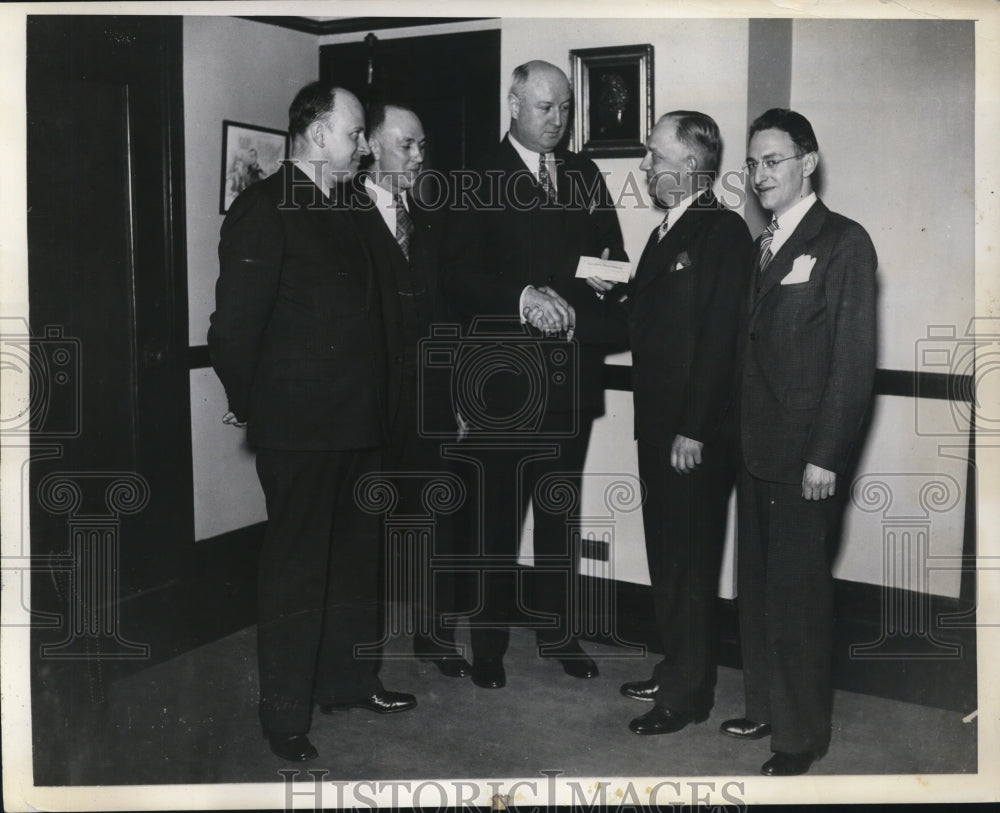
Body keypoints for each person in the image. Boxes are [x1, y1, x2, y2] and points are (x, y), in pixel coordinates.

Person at [207, 81, 417, 763]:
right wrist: (257, 402)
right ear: (317, 132)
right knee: (297, 572)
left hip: (362, 424)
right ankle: (285, 714)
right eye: (356, 134)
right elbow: (231, 331)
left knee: (357, 564)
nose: (363, 147)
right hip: (298, 430)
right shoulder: (263, 208)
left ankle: (350, 681)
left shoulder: (352, 207)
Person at [443, 60, 628, 689]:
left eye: (567, 108)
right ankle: (487, 648)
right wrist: (523, 296)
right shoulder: (474, 177)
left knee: (558, 517)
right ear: (514, 104)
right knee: (495, 524)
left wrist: (584, 294)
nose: (559, 121)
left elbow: (614, 259)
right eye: (546, 108)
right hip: (501, 384)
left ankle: (559, 634)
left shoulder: (583, 174)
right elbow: (458, 276)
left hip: (568, 380)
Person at [721, 108, 876, 776]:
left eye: (773, 160)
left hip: (803, 457)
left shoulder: (842, 241)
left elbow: (852, 361)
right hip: (754, 450)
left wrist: (825, 455)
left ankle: (801, 734)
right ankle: (765, 706)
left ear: (808, 162)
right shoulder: (765, 242)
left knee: (798, 599)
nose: (759, 175)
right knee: (756, 591)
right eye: (753, 162)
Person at [592, 112, 751, 735]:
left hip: (691, 434)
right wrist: (619, 293)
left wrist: (695, 428)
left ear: (691, 165)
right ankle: (677, 664)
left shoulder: (724, 232)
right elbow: (662, 320)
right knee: (667, 552)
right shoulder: (666, 232)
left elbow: (719, 341)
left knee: (690, 558)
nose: (647, 167)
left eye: (656, 155)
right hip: (657, 425)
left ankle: (687, 696)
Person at [351, 101, 471, 678]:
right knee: (364, 528)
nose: (420, 157)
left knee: (436, 520)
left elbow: (444, 310)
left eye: (423, 145)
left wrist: (455, 397)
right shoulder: (342, 215)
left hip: (428, 402)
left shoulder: (429, 217)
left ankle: (435, 632)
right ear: (371, 145)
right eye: (407, 145)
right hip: (365, 406)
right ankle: (361, 656)